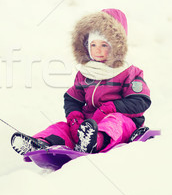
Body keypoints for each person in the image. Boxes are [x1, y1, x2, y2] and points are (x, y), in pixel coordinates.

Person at [11, 8, 151, 155]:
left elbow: (140, 101)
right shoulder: (85, 73)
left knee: (113, 122)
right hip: (88, 124)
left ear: (116, 46)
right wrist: (75, 118)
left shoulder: (129, 72)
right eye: (93, 45)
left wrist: (109, 108)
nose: (97, 50)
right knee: (62, 127)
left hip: (125, 122)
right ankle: (41, 143)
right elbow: (72, 98)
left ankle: (94, 141)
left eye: (104, 45)